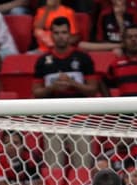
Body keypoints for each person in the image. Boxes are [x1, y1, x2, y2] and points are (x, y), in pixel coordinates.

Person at [33, 16, 96, 169]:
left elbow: (93, 89)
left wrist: (72, 83)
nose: (60, 36)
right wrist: (52, 88)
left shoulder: (83, 58)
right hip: (52, 121)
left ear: (70, 34)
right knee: (53, 168)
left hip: (80, 119)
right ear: (51, 35)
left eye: (64, 32)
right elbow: (36, 92)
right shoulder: (42, 61)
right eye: (56, 32)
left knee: (83, 168)